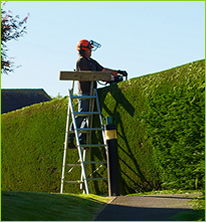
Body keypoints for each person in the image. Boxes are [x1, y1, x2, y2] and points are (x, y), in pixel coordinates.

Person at [68, 39, 126, 148]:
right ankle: (70, 137)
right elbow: (89, 75)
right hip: (84, 93)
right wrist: (103, 77)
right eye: (89, 48)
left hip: (92, 92)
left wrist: (116, 72)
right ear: (84, 50)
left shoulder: (91, 61)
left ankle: (82, 139)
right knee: (82, 114)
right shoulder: (81, 61)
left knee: (88, 116)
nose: (91, 50)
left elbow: (102, 70)